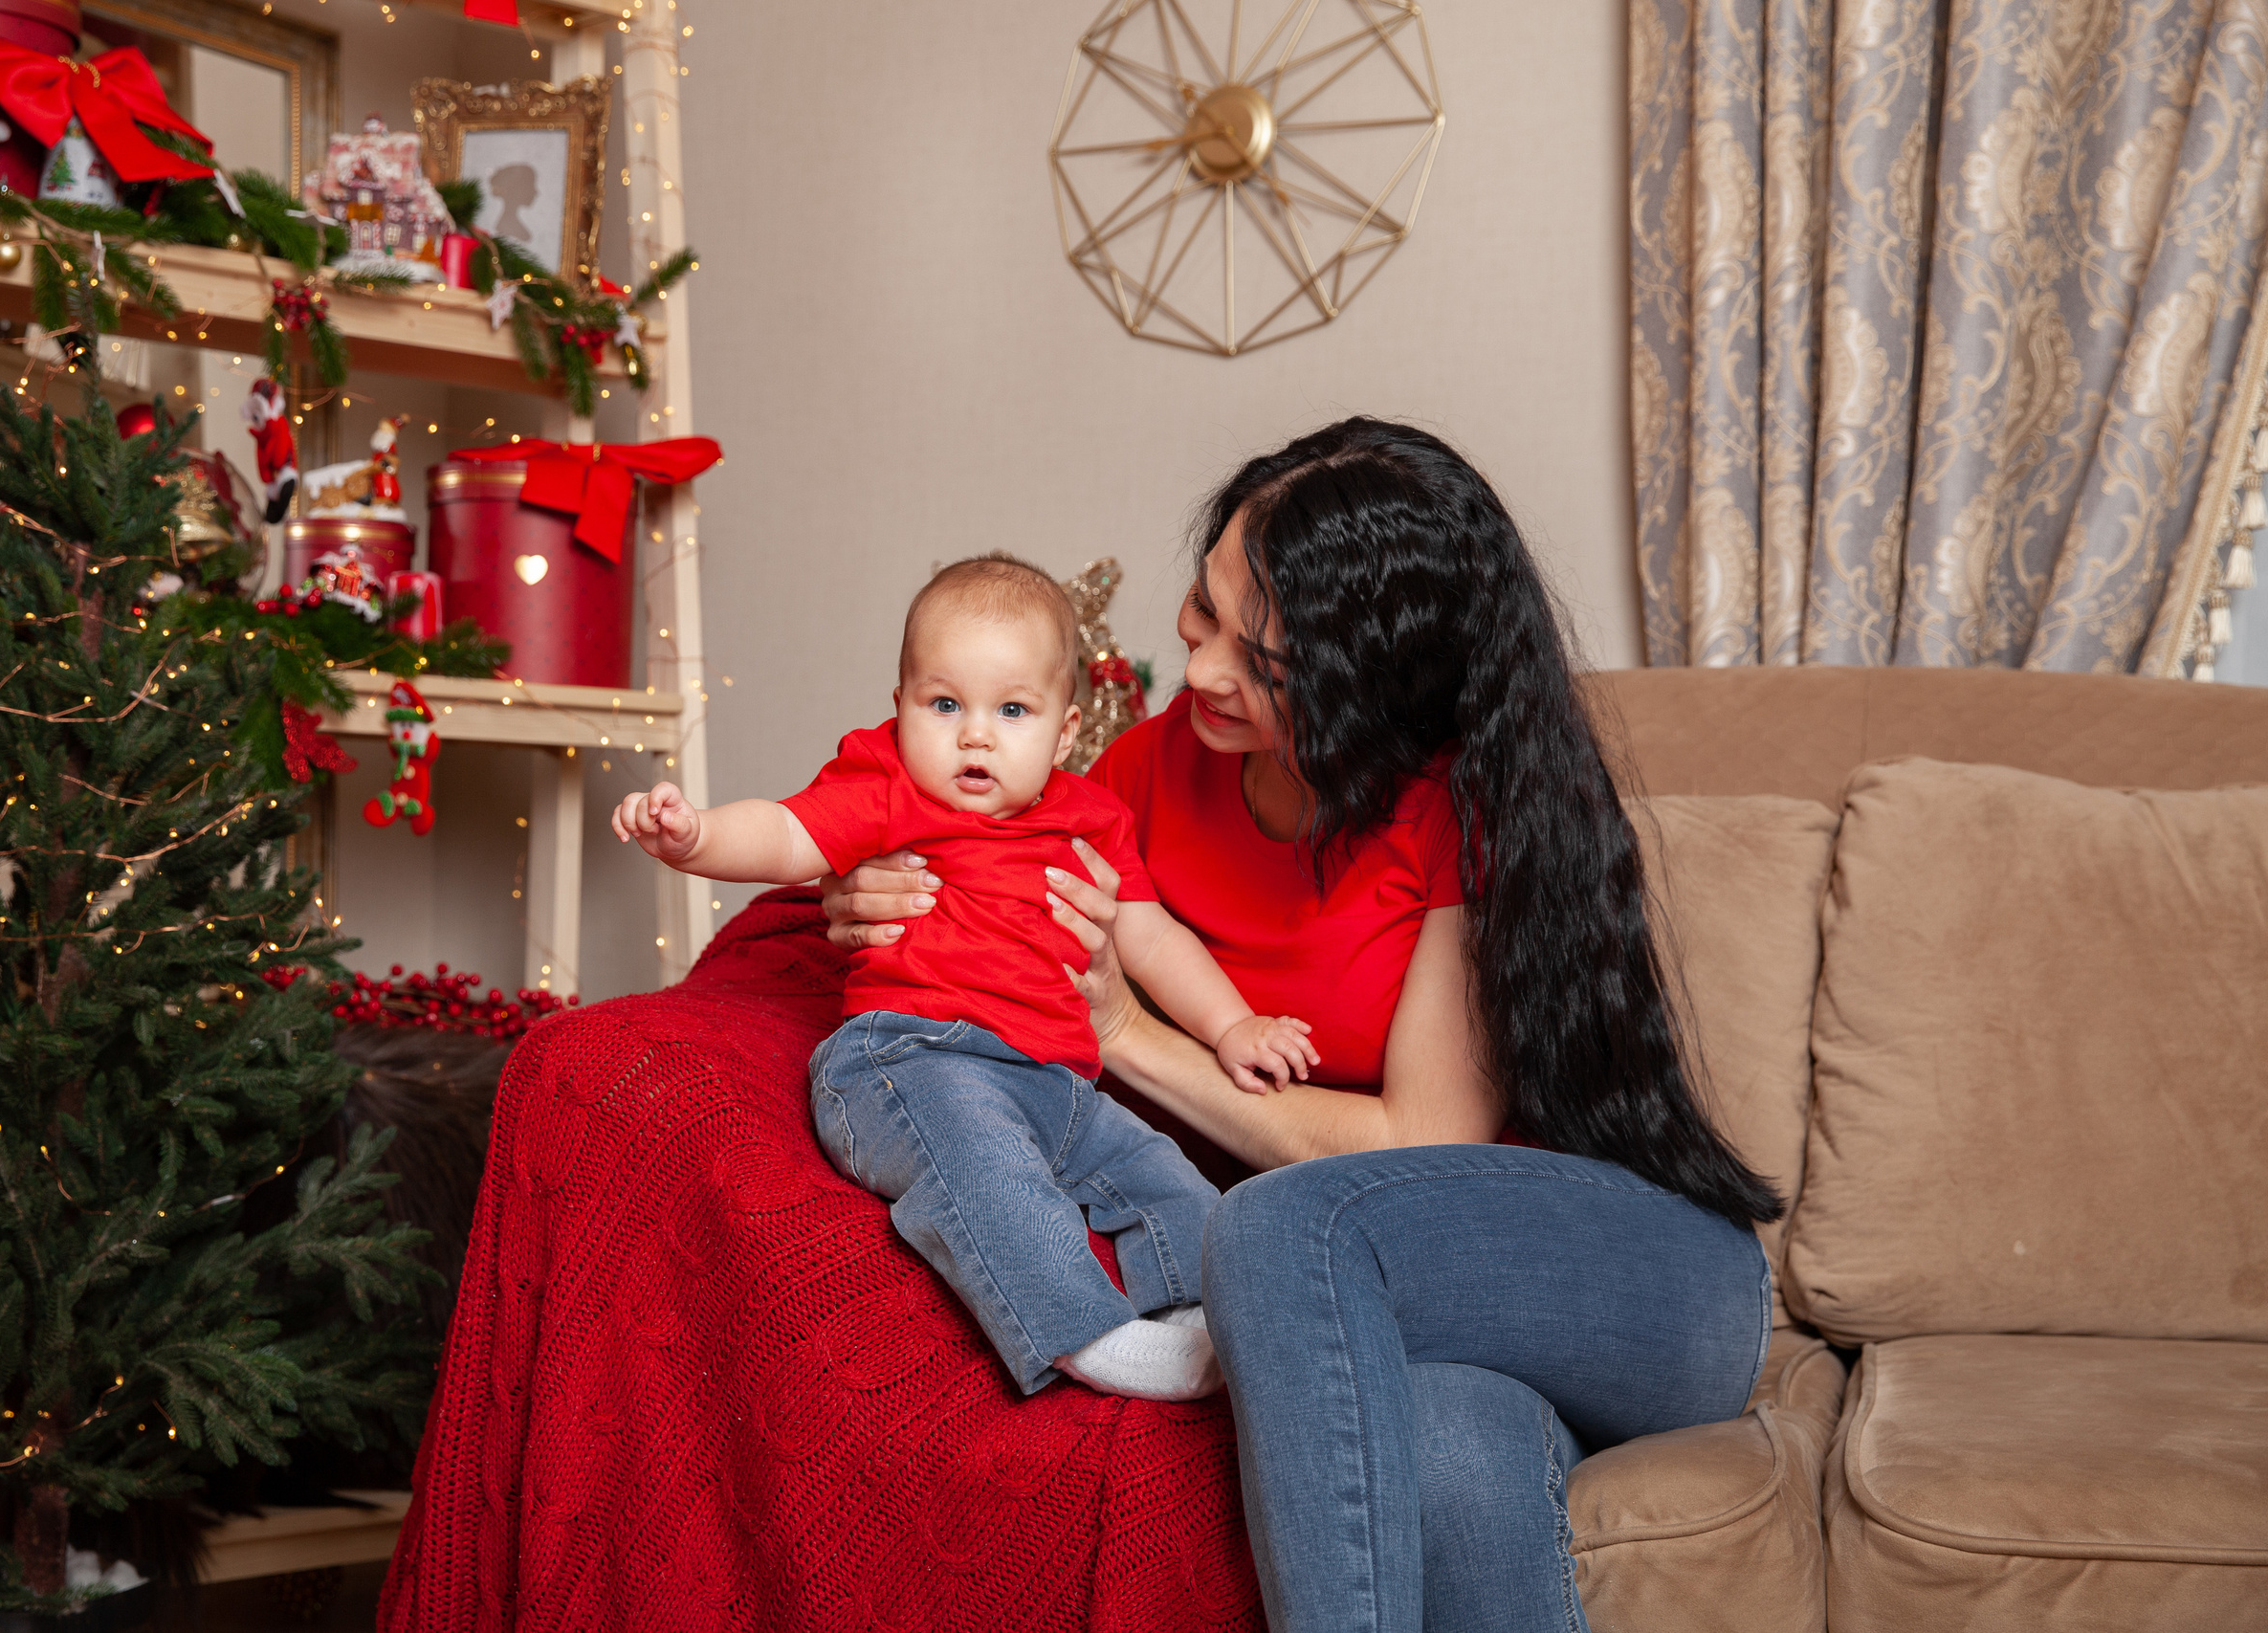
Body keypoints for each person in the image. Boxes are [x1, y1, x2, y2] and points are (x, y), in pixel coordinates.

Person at [822, 420, 1781, 1631]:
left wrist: (1126, 1037)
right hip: (1400, 1319)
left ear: (1373, 689)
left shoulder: (1470, 811)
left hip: (1638, 1285)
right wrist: (871, 894)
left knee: (1270, 1234)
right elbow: (937, 877)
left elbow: (1419, 1142)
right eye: (1202, 609)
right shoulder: (1144, 778)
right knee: (1449, 1445)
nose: (1205, 669)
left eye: (1265, 661)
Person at [613, 553, 1317, 1403]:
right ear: (901, 707)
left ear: (1064, 733)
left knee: (1163, 1170)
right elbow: (787, 831)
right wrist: (695, 838)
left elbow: (1152, 936)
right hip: (909, 1057)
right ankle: (1082, 1331)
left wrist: (1234, 1025)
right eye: (944, 705)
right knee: (984, 1164)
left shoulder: (1090, 817)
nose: (974, 734)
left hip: (1057, 1080)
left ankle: (1205, 1315)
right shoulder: (890, 787)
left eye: (1012, 710)